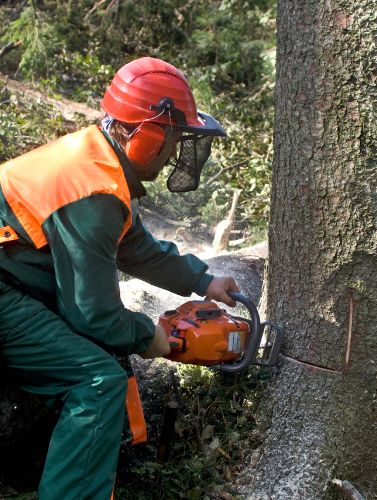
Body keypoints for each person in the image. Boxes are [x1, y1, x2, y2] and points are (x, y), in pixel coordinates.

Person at [0, 57, 239, 499]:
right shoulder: (94, 191)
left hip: (12, 280)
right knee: (96, 381)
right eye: (173, 140)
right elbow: (92, 314)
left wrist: (204, 281)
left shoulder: (98, 164)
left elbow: (135, 247)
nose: (174, 155)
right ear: (146, 136)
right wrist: (153, 338)